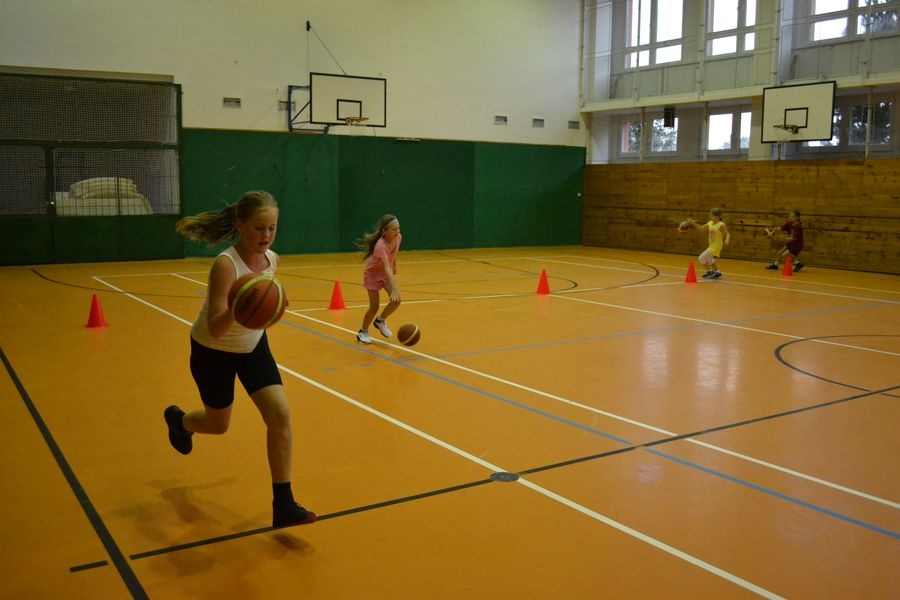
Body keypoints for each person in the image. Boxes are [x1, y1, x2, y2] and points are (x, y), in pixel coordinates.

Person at [165, 190, 315, 529]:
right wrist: (240, 304)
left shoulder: (273, 260)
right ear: (241, 225)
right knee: (218, 425)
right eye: (259, 228)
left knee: (280, 414)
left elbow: (263, 304)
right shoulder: (226, 265)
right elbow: (217, 328)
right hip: (213, 352)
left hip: (253, 347)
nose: (266, 235)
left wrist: (275, 302)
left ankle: (284, 504)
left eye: (272, 228)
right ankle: (180, 421)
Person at [356, 214, 402, 344]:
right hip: (373, 275)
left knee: (397, 301)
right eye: (393, 229)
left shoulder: (398, 237)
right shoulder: (380, 246)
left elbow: (394, 253)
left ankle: (380, 321)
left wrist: (395, 264)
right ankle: (362, 332)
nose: (397, 231)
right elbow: (386, 268)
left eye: (398, 228)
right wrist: (395, 288)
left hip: (385, 273)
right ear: (384, 231)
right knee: (374, 307)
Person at [689, 207, 730, 279]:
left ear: (717, 217)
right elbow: (701, 229)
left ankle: (710, 271)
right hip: (711, 245)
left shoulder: (721, 225)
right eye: (710, 215)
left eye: (712, 216)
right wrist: (693, 223)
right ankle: (717, 272)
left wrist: (727, 240)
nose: (710, 217)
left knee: (701, 258)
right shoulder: (710, 223)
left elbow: (727, 234)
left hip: (716, 245)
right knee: (709, 259)